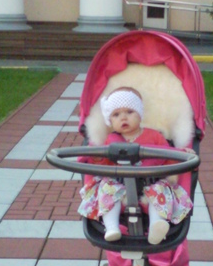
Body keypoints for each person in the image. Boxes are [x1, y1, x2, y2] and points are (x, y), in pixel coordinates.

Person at [78, 87, 193, 244]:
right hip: (119, 184)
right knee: (106, 187)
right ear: (110, 121)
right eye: (116, 115)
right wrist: (97, 157)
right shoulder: (111, 140)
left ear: (140, 114)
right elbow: (104, 163)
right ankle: (111, 227)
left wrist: (181, 154)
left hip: (150, 182)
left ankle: (156, 226)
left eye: (129, 112)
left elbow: (167, 156)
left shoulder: (154, 136)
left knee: (161, 190)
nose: (123, 117)